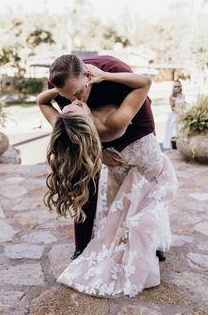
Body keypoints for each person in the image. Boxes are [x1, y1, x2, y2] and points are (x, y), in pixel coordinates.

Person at [37, 64, 178, 297]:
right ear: (85, 124)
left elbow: (42, 100)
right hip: (139, 160)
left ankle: (145, 245)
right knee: (142, 209)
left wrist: (64, 92)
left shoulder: (65, 124)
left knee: (127, 210)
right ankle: (143, 251)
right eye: (73, 106)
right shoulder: (112, 125)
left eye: (71, 102)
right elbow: (143, 83)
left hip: (126, 161)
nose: (73, 103)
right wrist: (104, 77)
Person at [43, 54, 163, 262]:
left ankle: (150, 239)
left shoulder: (115, 71)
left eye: (79, 92)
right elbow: (47, 104)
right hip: (87, 133)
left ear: (89, 76)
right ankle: (82, 245)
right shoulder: (63, 86)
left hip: (132, 125)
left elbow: (144, 87)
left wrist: (105, 76)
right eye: (69, 96)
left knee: (142, 188)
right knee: (85, 181)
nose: (76, 100)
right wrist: (98, 152)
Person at [163, 79, 185, 150]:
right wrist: (174, 98)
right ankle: (174, 148)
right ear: (173, 87)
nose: (177, 88)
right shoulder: (171, 96)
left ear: (181, 87)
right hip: (174, 115)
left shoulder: (183, 95)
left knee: (182, 133)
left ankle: (181, 148)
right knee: (174, 133)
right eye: (175, 86)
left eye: (179, 86)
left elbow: (183, 105)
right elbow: (172, 107)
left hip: (181, 115)